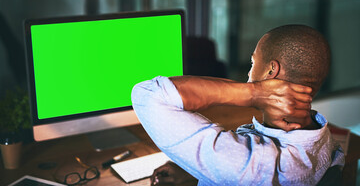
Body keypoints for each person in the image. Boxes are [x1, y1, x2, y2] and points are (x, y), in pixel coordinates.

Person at [131, 25, 345, 185]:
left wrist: (254, 92)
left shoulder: (253, 164)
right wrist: (193, 169)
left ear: (271, 71)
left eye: (253, 63)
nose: (249, 72)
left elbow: (148, 94)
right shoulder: (323, 139)